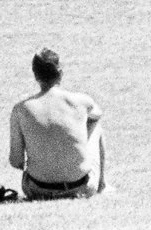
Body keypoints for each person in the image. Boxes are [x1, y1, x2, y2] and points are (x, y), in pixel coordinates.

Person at [8, 48, 104, 199]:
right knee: (96, 126)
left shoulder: (21, 109)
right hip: (81, 188)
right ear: (60, 73)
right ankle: (102, 186)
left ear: (35, 75)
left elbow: (16, 161)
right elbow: (97, 114)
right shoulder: (81, 101)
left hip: (38, 190)